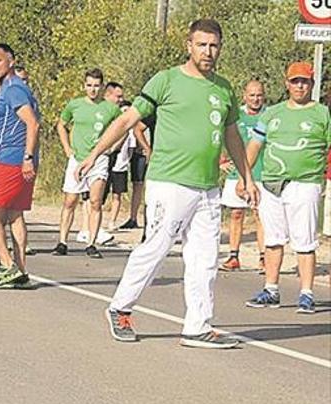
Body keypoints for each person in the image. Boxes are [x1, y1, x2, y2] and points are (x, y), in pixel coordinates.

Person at [79, 19, 258, 348]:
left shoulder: (223, 88)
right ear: (189, 46)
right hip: (170, 182)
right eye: (201, 44)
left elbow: (232, 135)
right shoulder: (167, 80)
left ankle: (197, 327)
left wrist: (246, 176)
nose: (208, 51)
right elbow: (127, 119)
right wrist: (94, 154)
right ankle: (120, 308)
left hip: (208, 186)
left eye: (214, 45)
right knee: (156, 249)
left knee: (204, 259)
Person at [245, 62, 330, 314]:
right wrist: (245, 177)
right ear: (287, 83)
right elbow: (254, 145)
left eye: (304, 81)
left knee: (304, 242)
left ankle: (306, 293)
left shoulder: (322, 114)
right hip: (272, 184)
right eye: (295, 81)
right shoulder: (272, 113)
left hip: (305, 183)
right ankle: (271, 289)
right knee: (273, 239)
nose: (299, 85)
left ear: (311, 84)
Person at [0, 43, 40, 288]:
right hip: (10, 155)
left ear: (11, 61)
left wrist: (27, 157)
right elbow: (14, 128)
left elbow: (32, 124)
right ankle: (21, 271)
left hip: (13, 161)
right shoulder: (13, 88)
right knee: (14, 215)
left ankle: (7, 264)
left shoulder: (13, 89)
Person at [53, 68, 121, 258]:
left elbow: (122, 127)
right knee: (70, 200)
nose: (92, 90)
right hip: (77, 158)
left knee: (95, 201)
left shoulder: (110, 108)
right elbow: (61, 124)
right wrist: (67, 147)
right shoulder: (75, 105)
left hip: (98, 159)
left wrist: (112, 147)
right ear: (84, 85)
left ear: (102, 87)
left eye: (96, 86)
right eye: (89, 85)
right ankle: (62, 241)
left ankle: (91, 243)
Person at [219, 80, 266, 272]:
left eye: (259, 95)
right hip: (236, 174)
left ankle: (264, 257)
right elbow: (222, 136)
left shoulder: (269, 116)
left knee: (260, 215)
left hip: (261, 174)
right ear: (244, 95)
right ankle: (233, 256)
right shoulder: (236, 116)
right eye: (252, 95)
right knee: (236, 214)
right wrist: (221, 161)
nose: (255, 99)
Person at [104, 99, 137, 230]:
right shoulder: (113, 128)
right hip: (108, 163)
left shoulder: (131, 133)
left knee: (117, 194)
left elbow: (132, 149)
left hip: (121, 166)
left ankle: (112, 220)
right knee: (102, 194)